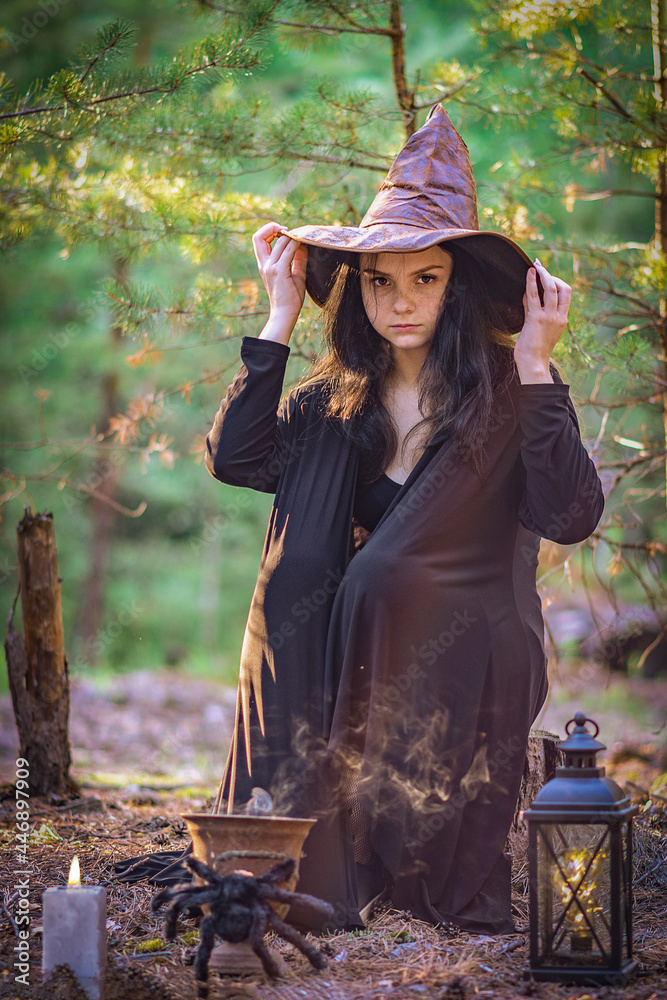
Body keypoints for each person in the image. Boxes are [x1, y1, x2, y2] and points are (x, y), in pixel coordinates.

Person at [203, 105, 604, 935]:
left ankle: (415, 859)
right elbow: (236, 460)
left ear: (456, 286)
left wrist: (537, 367)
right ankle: (310, 841)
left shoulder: (502, 393)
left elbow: (568, 513)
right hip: (353, 665)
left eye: (425, 278)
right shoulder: (334, 401)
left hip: (465, 658)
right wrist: (277, 316)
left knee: (394, 582)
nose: (401, 302)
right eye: (380, 280)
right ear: (359, 289)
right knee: (315, 576)